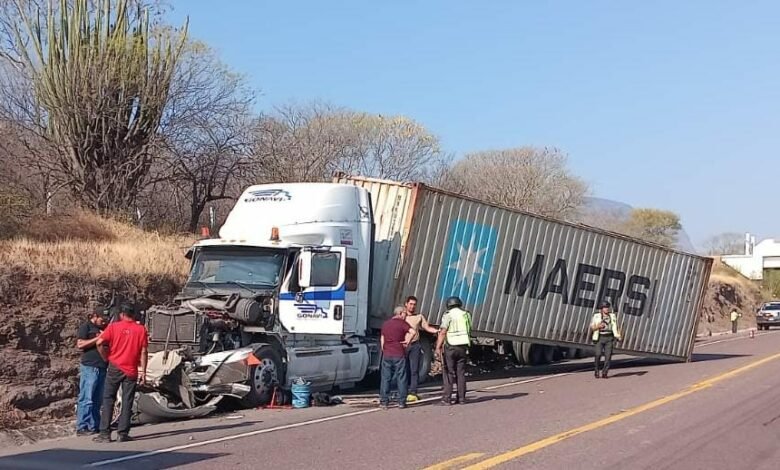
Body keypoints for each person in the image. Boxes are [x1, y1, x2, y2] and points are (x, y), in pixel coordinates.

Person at [93, 304, 148, 443]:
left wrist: (105, 357)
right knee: (127, 400)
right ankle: (122, 433)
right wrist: (143, 371)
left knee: (108, 399)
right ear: (133, 314)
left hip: (115, 366)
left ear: (122, 314)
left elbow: (99, 342)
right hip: (131, 369)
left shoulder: (113, 327)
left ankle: (105, 433)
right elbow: (143, 351)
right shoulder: (141, 329)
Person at [75, 307, 109, 436]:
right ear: (95, 316)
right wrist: (98, 338)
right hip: (90, 366)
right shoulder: (86, 327)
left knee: (97, 399)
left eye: (105, 320)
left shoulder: (106, 327)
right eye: (102, 319)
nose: (104, 322)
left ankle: (94, 425)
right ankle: (82, 426)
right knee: (86, 397)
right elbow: (80, 344)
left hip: (102, 366)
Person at [436, 296, 472, 405]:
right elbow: (469, 329)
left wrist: (438, 347)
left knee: (449, 373)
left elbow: (443, 332)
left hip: (451, 347)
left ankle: (447, 398)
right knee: (461, 373)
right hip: (463, 347)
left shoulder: (448, 315)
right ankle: (461, 398)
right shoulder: (466, 314)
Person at [403, 295, 438, 402]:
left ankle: (413, 392)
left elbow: (427, 327)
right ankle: (402, 391)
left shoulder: (419, 317)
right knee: (403, 369)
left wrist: (437, 331)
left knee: (414, 369)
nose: (412, 306)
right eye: (410, 304)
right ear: (406, 304)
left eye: (414, 304)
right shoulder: (402, 316)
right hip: (403, 345)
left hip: (415, 345)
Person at [380, 306, 412, 410]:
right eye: (405, 313)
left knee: (386, 378)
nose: (406, 315)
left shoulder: (386, 324)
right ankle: (401, 402)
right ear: (401, 313)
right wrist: (407, 342)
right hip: (399, 354)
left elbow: (382, 338)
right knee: (401, 378)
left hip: (387, 354)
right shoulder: (402, 323)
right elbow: (413, 332)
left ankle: (384, 402)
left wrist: (384, 349)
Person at [591, 301, 621, 379]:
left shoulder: (612, 316)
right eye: (605, 307)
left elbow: (615, 326)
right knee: (598, 354)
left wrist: (618, 336)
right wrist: (598, 326)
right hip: (600, 337)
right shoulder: (596, 316)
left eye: (607, 307)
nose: (607, 309)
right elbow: (592, 327)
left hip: (609, 338)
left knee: (608, 356)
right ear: (601, 309)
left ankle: (605, 372)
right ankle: (596, 370)